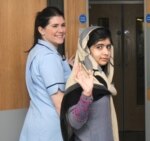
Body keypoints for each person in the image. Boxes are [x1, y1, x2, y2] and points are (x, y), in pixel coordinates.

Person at [20, 7, 71, 141]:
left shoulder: (36, 51)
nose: (61, 30)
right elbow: (59, 102)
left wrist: (64, 65)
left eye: (63, 25)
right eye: (55, 26)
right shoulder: (49, 57)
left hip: (36, 124)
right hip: (50, 129)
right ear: (41, 30)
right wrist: (73, 129)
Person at [60, 26, 119, 141]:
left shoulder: (102, 78)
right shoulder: (79, 78)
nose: (106, 52)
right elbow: (74, 122)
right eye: (99, 47)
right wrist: (86, 95)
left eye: (108, 47)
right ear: (86, 50)